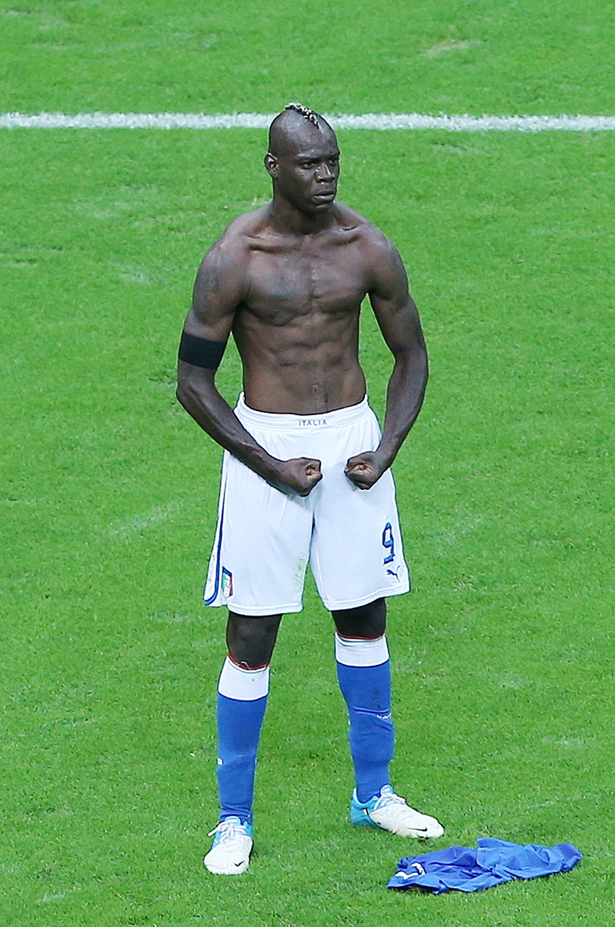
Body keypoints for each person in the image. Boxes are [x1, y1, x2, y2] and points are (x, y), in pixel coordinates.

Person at [176, 103, 444, 876]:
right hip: (268, 447)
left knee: (363, 617)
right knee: (251, 635)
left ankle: (373, 794)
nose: (325, 175)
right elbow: (192, 380)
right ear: (274, 167)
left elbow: (411, 354)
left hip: (351, 443)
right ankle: (233, 820)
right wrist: (267, 463)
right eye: (309, 164)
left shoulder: (366, 246)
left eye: (332, 161)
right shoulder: (235, 256)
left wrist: (385, 447)